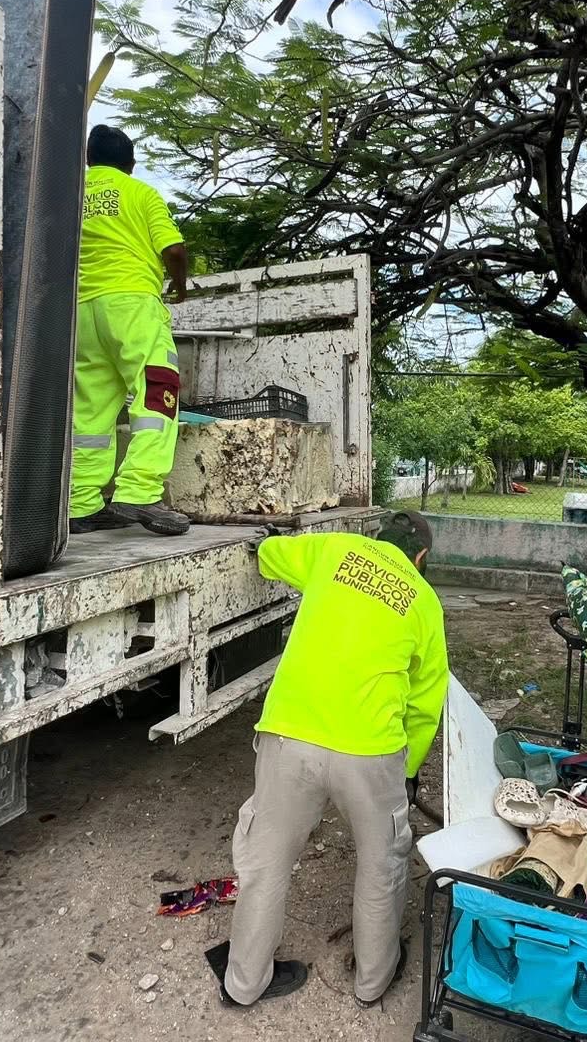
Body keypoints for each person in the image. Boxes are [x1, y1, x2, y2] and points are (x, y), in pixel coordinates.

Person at [218, 511, 449, 1010]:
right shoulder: (425, 601)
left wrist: (269, 542)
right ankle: (373, 981)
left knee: (266, 860)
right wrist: (408, 772)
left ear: (377, 538)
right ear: (421, 557)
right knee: (382, 864)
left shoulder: (335, 549)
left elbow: (269, 556)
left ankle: (244, 983)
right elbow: (425, 703)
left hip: (289, 735)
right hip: (370, 751)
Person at [68, 124, 192, 536]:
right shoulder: (141, 193)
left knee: (91, 409)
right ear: (131, 164)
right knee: (158, 392)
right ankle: (140, 490)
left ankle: (81, 503)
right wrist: (179, 285)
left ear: (88, 159)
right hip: (133, 304)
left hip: (81, 311)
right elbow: (174, 249)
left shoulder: (70, 195)